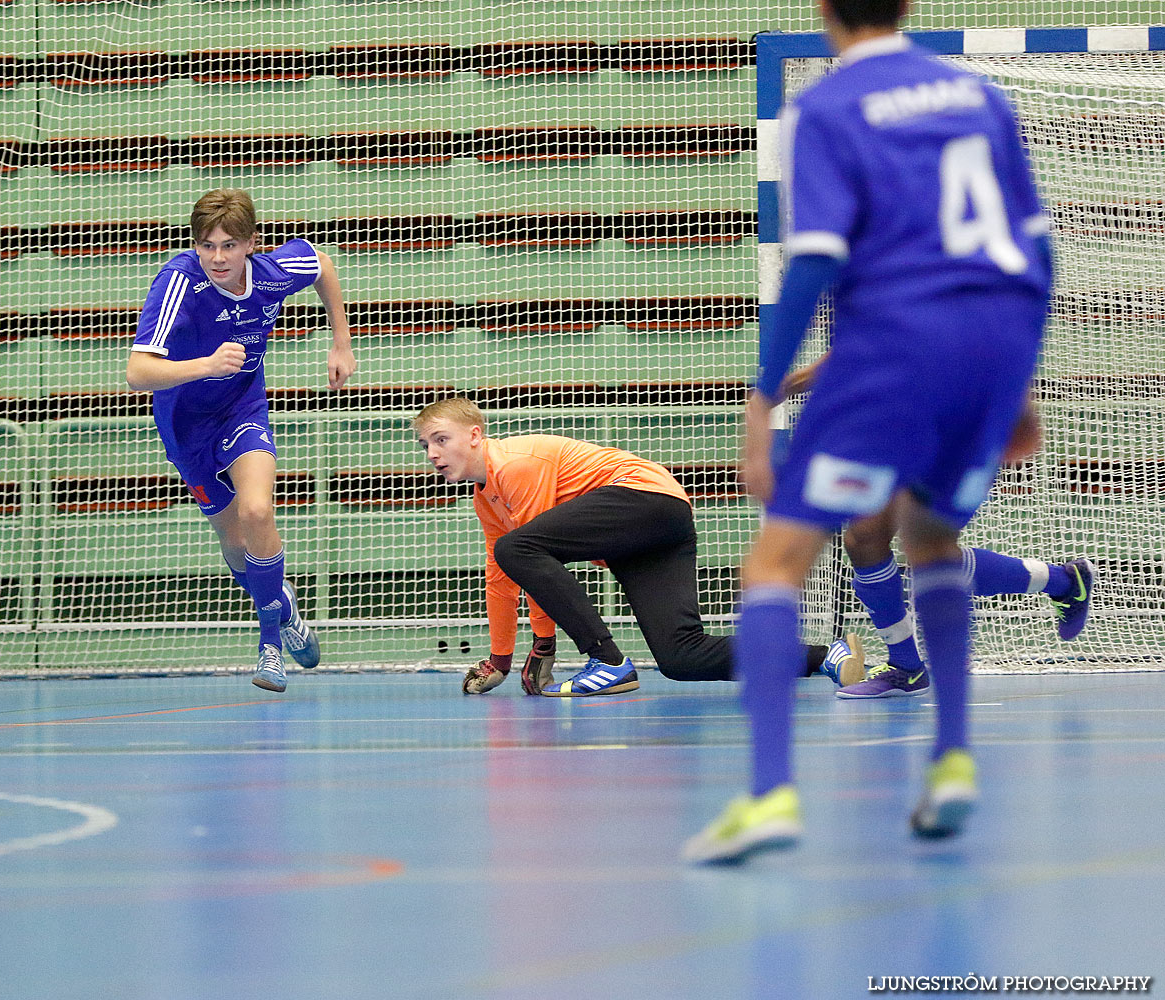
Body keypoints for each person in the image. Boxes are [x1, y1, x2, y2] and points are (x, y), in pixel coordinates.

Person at [682, 0, 1055, 863]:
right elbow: (1034, 247)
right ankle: (953, 758)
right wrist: (1017, 377)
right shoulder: (975, 93)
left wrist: (763, 393)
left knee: (775, 560)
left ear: (824, 11)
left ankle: (770, 794)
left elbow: (815, 257)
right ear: (908, 6)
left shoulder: (829, 107)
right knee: (929, 536)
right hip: (993, 341)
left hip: (892, 346)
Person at [410, 397, 863, 696]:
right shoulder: (485, 498)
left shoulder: (516, 466)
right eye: (425, 444)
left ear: (474, 436)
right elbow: (502, 578)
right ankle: (825, 656)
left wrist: (543, 646)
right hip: (655, 527)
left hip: (644, 498)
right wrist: (500, 660)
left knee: (517, 547)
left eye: (441, 439)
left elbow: (526, 556)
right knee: (681, 657)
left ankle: (607, 660)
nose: (432, 452)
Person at [126, 189, 357, 692]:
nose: (217, 258)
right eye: (207, 245)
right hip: (186, 428)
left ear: (252, 243)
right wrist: (206, 366)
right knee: (235, 545)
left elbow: (321, 264)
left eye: (229, 245)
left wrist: (341, 342)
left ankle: (269, 644)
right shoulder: (178, 283)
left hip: (242, 411)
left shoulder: (271, 275)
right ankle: (283, 604)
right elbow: (137, 372)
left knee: (258, 512)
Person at [779, 364, 1096, 700]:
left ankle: (1062, 582)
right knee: (865, 538)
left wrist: (781, 387)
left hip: (950, 411)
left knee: (928, 549)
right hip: (902, 414)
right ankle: (906, 665)